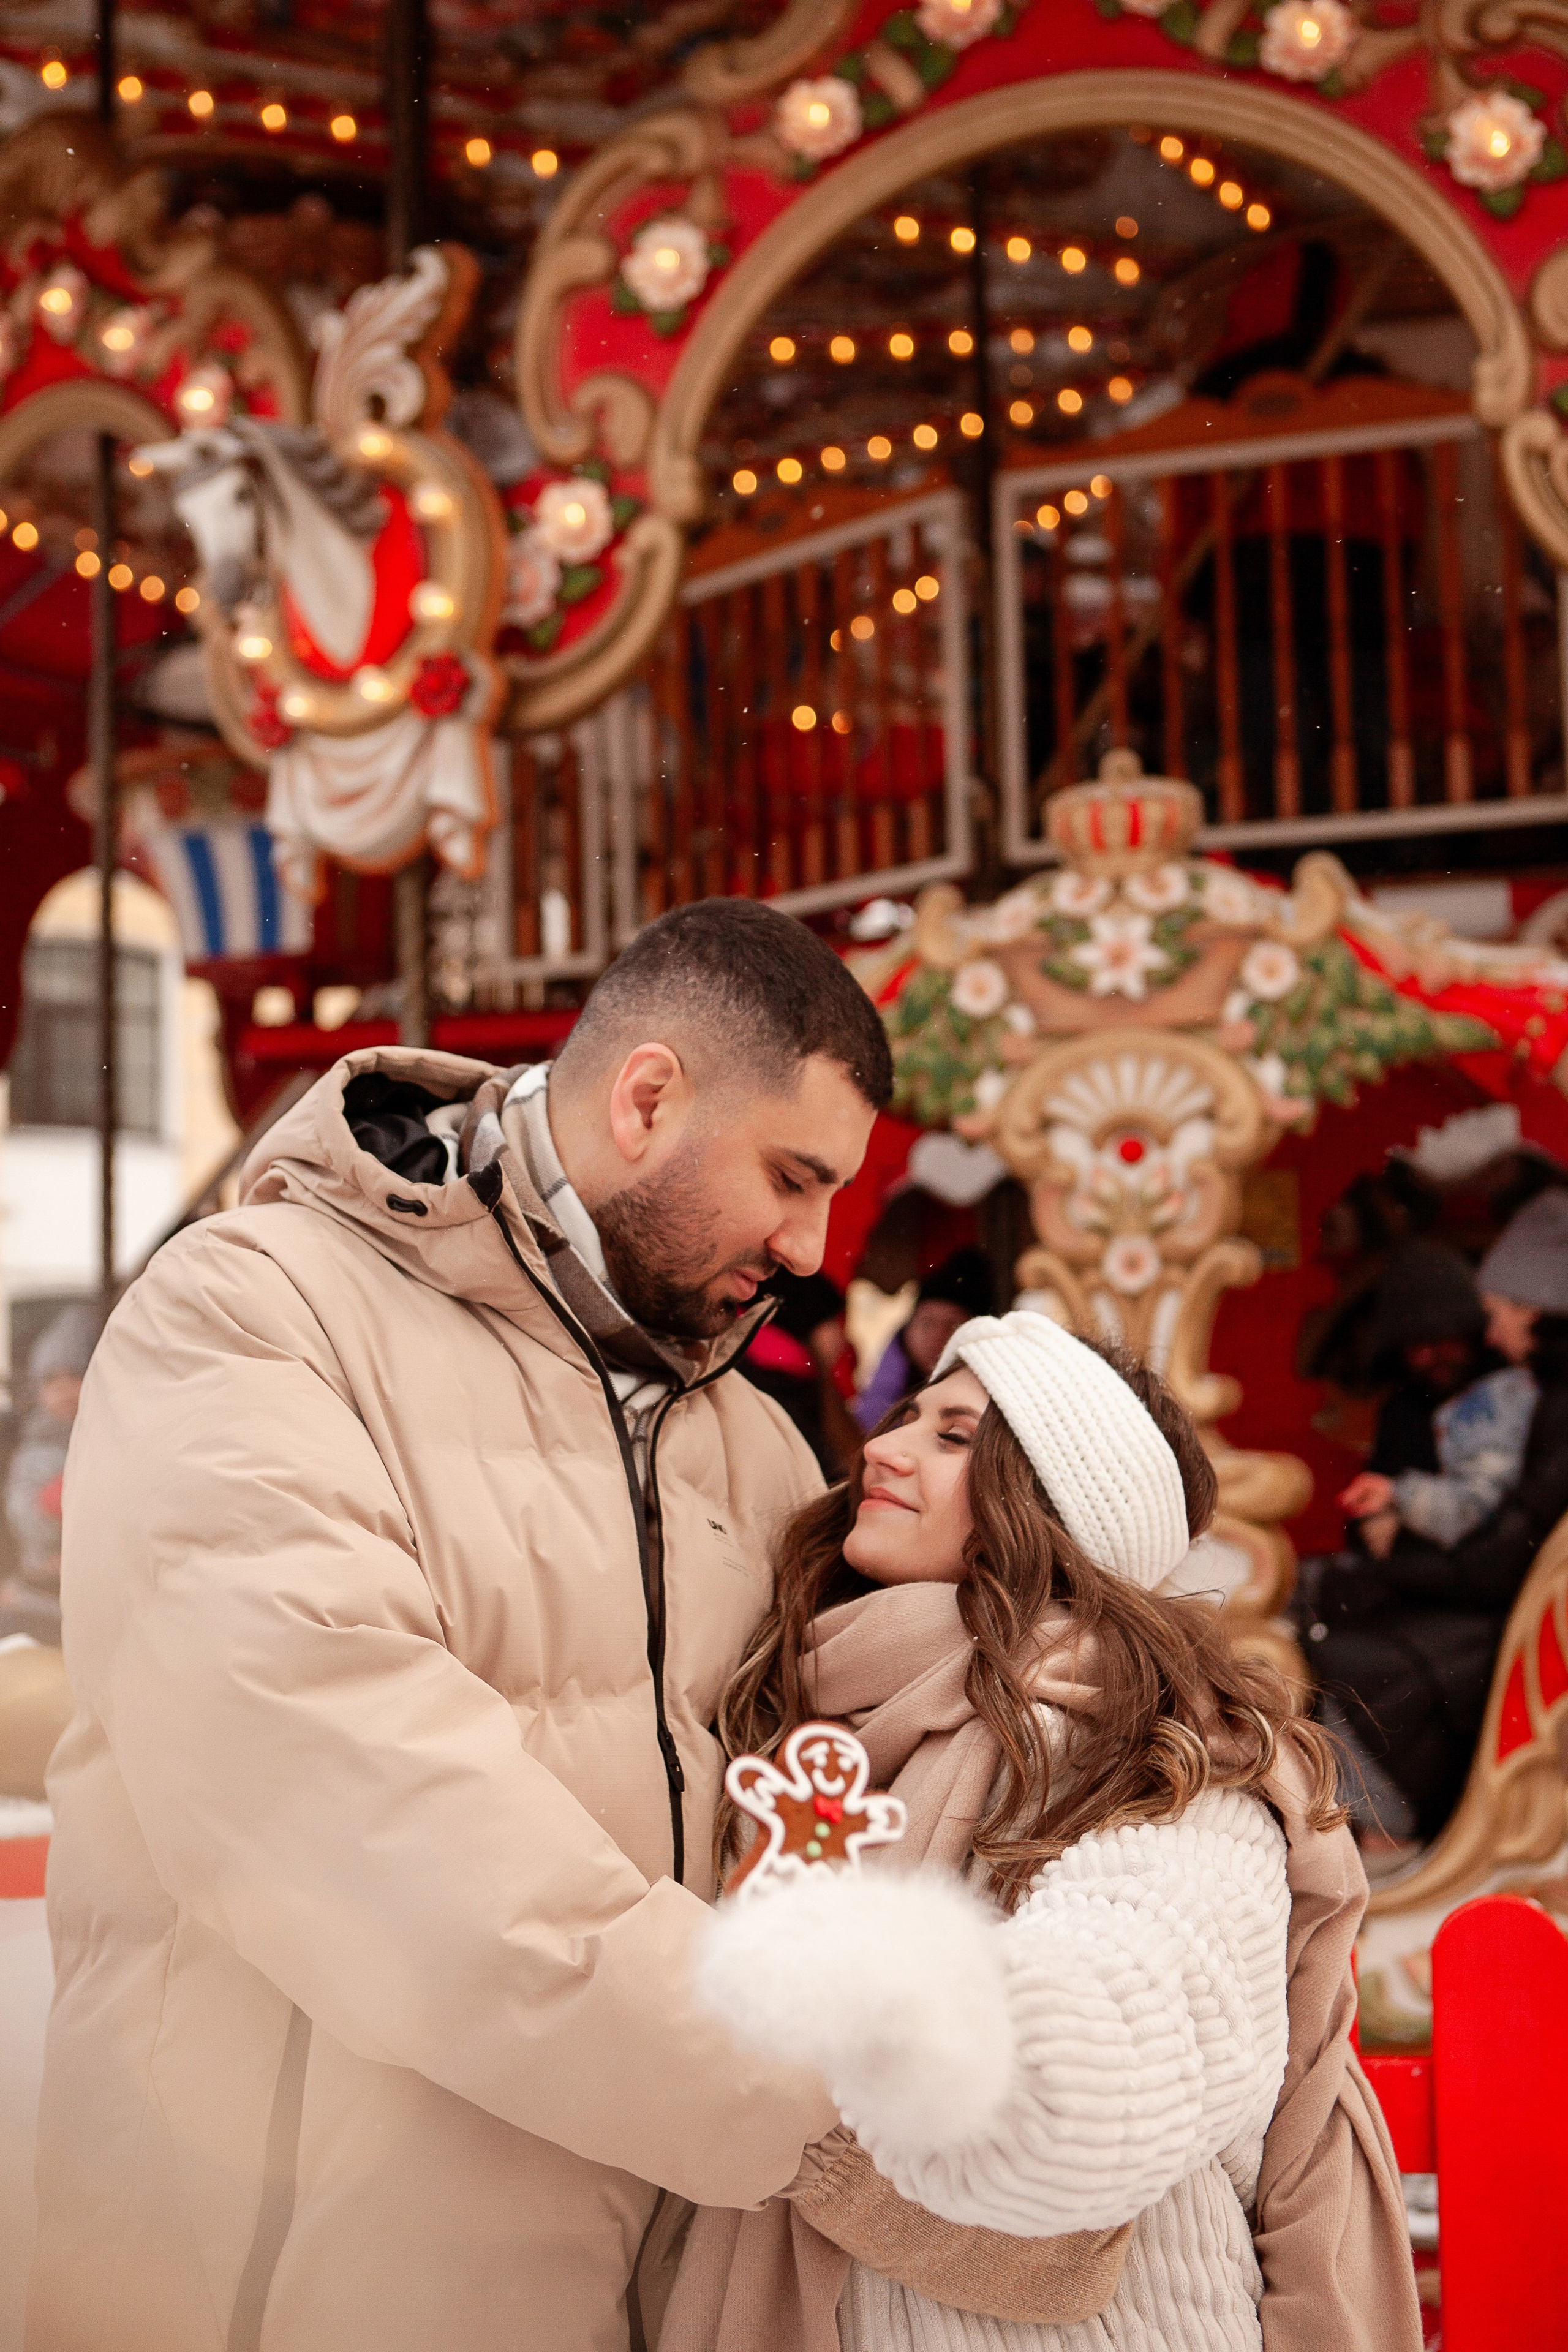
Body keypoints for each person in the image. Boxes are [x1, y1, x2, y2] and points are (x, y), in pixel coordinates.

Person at [29, 899, 893, 2352]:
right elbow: (338, 1796)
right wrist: (756, 2074)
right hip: (295, 2279)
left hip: (648, 2280)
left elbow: (849, 1768)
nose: (809, 1244)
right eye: (790, 1177)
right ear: (646, 1097)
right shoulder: (253, 1314)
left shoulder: (751, 1445)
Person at [666, 1313, 1419, 2352]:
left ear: (1052, 1503)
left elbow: (1072, 2099)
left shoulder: (1163, 1767)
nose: (879, 1447)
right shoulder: (818, 1728)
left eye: (954, 1437)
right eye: (905, 1418)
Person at [1310, 1190, 1568, 1843]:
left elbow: (1508, 1549)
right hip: (1492, 1593)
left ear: (1535, 1308)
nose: (1490, 1332)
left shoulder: (1536, 1400)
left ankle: (1387, 1827)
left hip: (1510, 1614)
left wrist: (1398, 1561)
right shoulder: (1476, 1402)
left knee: (1355, 1658)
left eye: (1499, 1312)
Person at [0, 1303, 99, 1645]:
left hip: (91, 1591)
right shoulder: (33, 1450)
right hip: (39, 1590)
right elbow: (23, 1513)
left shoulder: (110, 1442)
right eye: (51, 1379)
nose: (64, 1390)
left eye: (76, 1374)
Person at [851, 1247, 995, 1431]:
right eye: (927, 1323)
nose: (937, 1336)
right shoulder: (888, 1382)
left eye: (952, 1327)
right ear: (908, 1327)